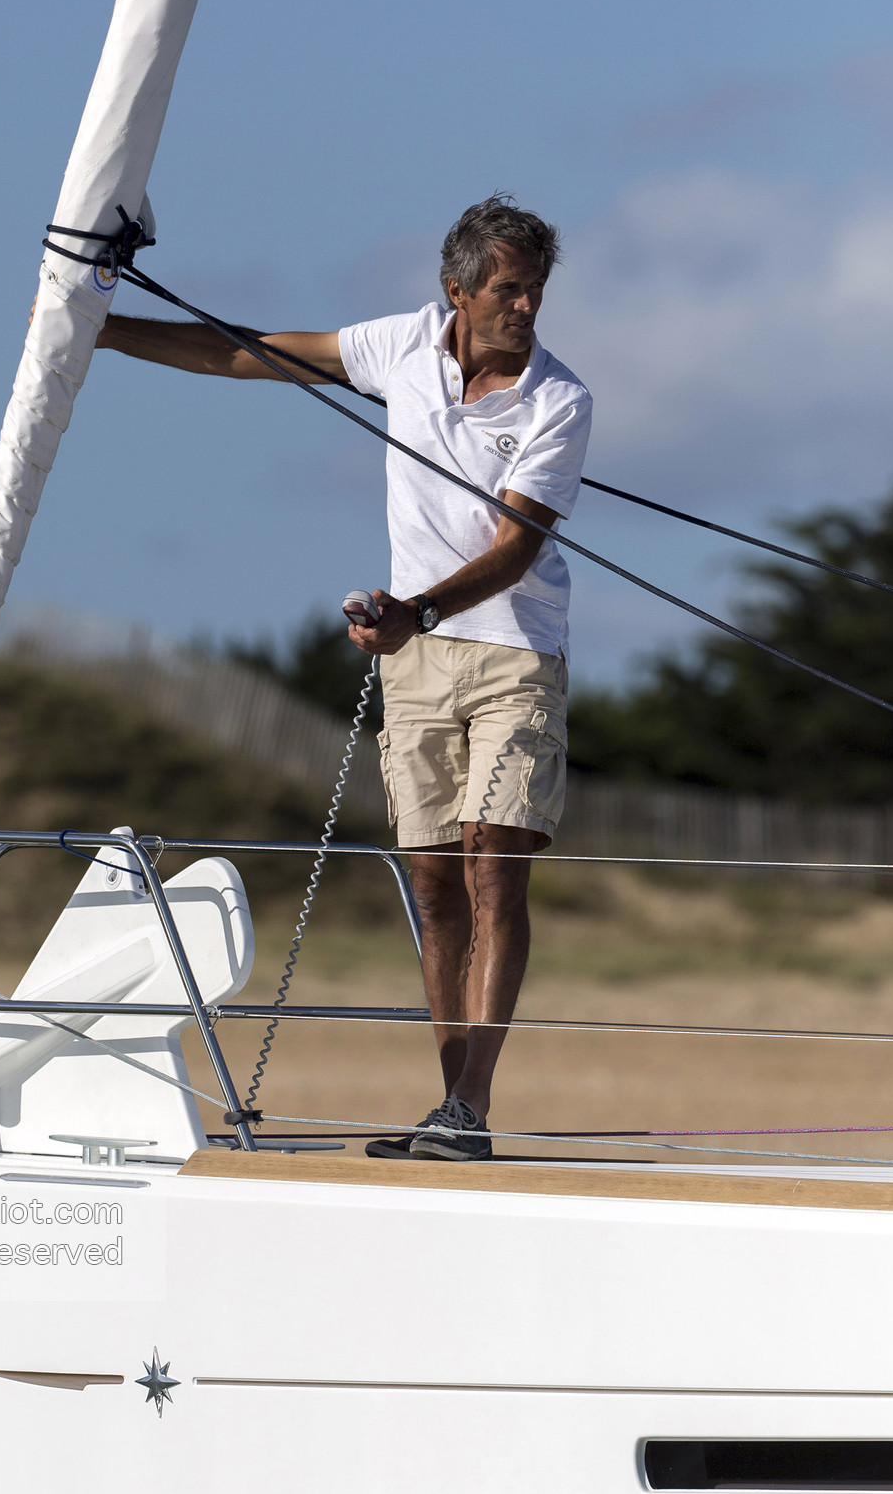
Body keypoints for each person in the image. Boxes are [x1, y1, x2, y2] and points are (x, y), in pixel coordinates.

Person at [99, 194, 592, 1161]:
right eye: (508, 289)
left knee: (497, 863)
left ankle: (470, 1108)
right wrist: (105, 331)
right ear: (455, 290)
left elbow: (517, 546)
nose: (527, 307)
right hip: (414, 662)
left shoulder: (559, 398)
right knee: (436, 886)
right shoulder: (400, 346)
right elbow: (252, 352)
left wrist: (421, 609)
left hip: (513, 654)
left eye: (536, 290)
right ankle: (450, 1107)